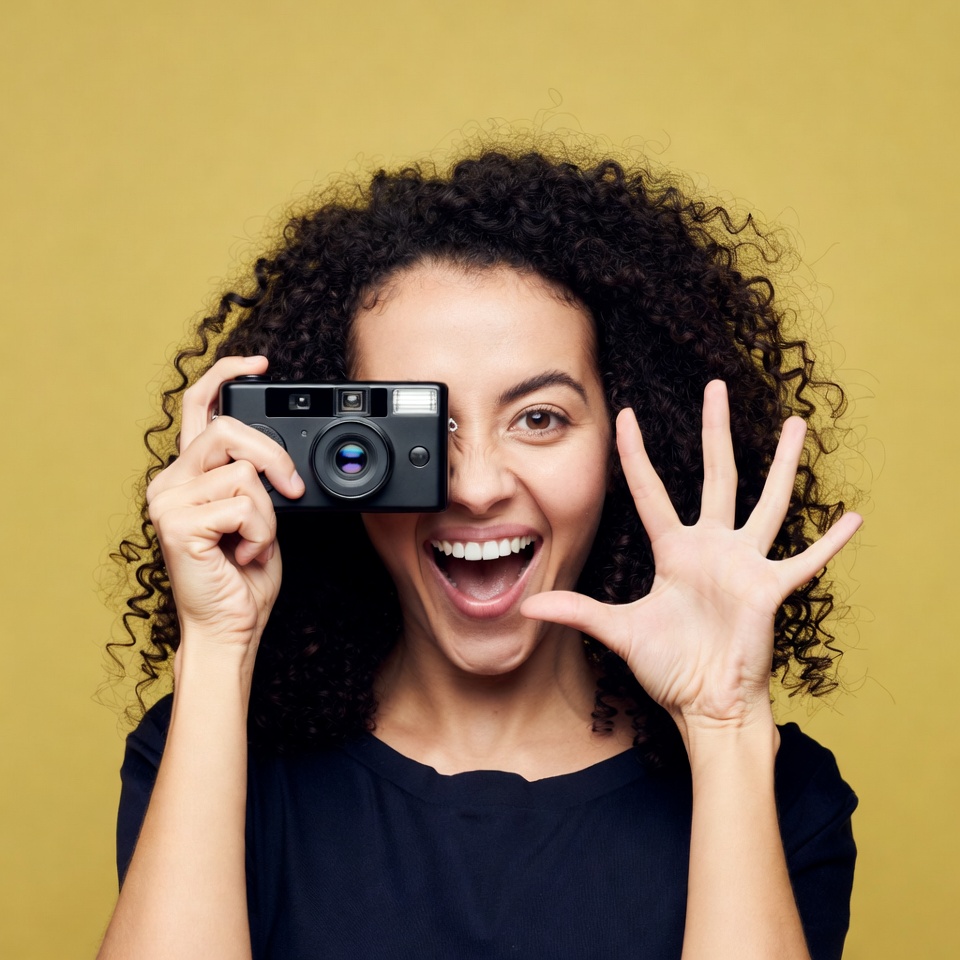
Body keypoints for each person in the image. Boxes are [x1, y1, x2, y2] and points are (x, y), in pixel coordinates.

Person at [99, 146, 861, 960]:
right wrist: (218, 646)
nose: (476, 487)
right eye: (420, 430)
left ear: (622, 443)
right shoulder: (212, 753)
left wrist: (724, 726)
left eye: (539, 418)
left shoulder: (776, 791)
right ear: (327, 453)